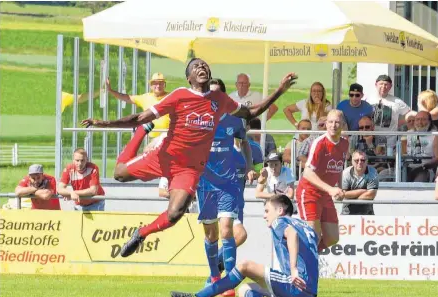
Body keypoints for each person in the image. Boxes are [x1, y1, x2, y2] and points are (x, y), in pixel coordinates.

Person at [81, 58, 297, 258]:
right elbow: (139, 116)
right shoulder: (179, 95)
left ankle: (141, 233)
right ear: (189, 78)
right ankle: (141, 134)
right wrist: (105, 124)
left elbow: (251, 112)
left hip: (189, 169)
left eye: (204, 65)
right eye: (196, 66)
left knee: (175, 214)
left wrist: (279, 90)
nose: (201, 67)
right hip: (164, 156)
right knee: (118, 174)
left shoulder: (219, 99)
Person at [170, 194, 319, 297]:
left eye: (267, 210)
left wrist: (293, 269)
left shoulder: (280, 221)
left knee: (244, 266)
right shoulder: (305, 226)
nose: (264, 215)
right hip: (310, 295)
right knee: (244, 289)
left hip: (296, 286)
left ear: (280, 210)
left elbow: (291, 233)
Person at [197, 78, 255, 297]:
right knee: (211, 235)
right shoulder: (198, 120)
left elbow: (245, 143)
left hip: (229, 182)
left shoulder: (234, 121)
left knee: (227, 230)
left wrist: (249, 166)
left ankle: (228, 281)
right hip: (205, 183)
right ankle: (214, 277)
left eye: (216, 94)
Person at [295, 109, 348, 252]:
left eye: (337, 122)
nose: (333, 125)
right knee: (313, 236)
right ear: (325, 124)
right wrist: (331, 189)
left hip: (325, 194)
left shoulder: (344, 144)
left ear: (343, 124)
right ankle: (299, 263)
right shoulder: (319, 143)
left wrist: (340, 187)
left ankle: (304, 255)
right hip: (309, 193)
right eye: (330, 122)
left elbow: (338, 168)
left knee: (332, 237)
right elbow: (307, 172)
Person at [106, 72, 170, 151]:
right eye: (155, 83)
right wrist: (111, 91)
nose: (158, 86)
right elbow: (127, 98)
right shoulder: (145, 97)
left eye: (161, 83)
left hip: (167, 136)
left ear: (165, 85)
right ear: (150, 86)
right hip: (150, 137)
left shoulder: (170, 97)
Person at [366, 75, 410, 149]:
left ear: (390, 86)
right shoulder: (368, 100)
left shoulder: (397, 101)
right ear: (376, 84)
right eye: (381, 84)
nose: (383, 86)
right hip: (371, 140)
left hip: (390, 141)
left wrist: (400, 122)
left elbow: (409, 114)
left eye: (386, 84)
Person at [406, 111, 438, 182]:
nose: (420, 122)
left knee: (418, 183)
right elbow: (402, 152)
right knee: (384, 174)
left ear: (430, 121)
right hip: (406, 167)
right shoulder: (408, 133)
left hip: (425, 169)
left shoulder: (435, 135)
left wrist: (424, 166)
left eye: (423, 119)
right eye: (417, 119)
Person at [341, 150, 379, 215]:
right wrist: (363, 191)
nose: (360, 162)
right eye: (356, 160)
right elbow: (343, 195)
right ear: (352, 162)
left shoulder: (373, 172)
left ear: (367, 162)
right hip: (347, 214)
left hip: (367, 214)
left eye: (363, 160)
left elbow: (371, 195)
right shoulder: (346, 173)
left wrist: (351, 196)